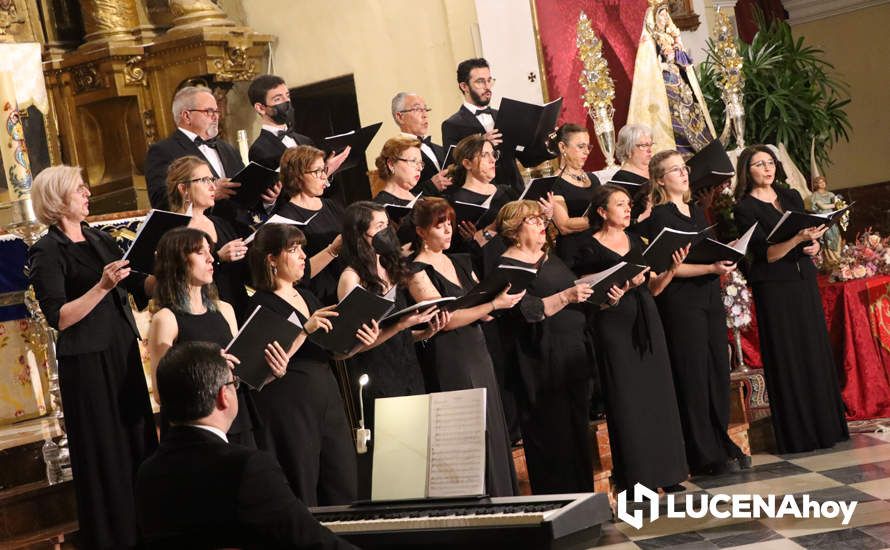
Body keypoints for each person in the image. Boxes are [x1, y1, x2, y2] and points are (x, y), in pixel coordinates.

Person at [29, 165, 158, 549]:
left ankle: (148, 531)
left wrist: (169, 266)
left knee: (138, 439)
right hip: (87, 363)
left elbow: (138, 282)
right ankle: (114, 537)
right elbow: (60, 317)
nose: (88, 193)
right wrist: (102, 286)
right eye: (79, 188)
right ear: (57, 200)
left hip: (121, 352)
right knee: (105, 449)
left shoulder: (99, 238)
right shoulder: (46, 250)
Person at [135, 341, 357, 549]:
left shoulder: (148, 473)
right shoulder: (246, 467)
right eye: (234, 383)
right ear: (224, 396)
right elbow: (311, 542)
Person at [246, 223, 378, 506]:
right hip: (289, 403)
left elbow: (332, 352)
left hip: (327, 394)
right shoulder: (260, 304)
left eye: (303, 249)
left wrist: (359, 343)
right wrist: (304, 330)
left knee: (342, 480)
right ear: (271, 259)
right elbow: (262, 367)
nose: (303, 256)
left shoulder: (306, 296)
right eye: (293, 250)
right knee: (303, 483)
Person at [732, 145, 849, 454]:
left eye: (770, 162)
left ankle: (828, 426)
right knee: (788, 355)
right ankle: (800, 434)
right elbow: (765, 255)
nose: (767, 168)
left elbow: (810, 238)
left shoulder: (792, 197)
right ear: (748, 171)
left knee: (814, 349)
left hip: (803, 282)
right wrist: (797, 239)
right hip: (775, 288)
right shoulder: (744, 208)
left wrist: (814, 245)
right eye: (759, 164)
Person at [573, 184, 689, 492]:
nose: (628, 209)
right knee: (628, 399)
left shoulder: (637, 239)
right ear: (602, 211)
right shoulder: (588, 247)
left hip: (646, 317)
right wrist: (623, 284)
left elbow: (653, 288)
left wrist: (672, 269)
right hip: (613, 325)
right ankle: (639, 479)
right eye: (620, 204)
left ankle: (669, 472)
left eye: (628, 205)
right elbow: (588, 294)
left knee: (658, 393)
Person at [407, 197, 523, 496]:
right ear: (421, 232)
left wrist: (496, 299)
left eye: (449, 224)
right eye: (439, 226)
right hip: (449, 355)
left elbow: (479, 303)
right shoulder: (416, 270)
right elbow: (444, 320)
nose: (448, 231)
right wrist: (492, 303)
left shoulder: (459, 260)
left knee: (490, 422)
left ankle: (503, 499)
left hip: (477, 348)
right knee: (466, 431)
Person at [646, 150, 749, 475]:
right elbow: (668, 268)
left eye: (683, 168)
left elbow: (708, 248)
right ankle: (702, 451)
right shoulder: (660, 216)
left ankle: (721, 439)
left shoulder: (693, 210)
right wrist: (710, 266)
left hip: (708, 296)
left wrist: (726, 256)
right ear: (660, 179)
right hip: (680, 302)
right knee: (693, 374)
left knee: (717, 369)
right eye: (674, 170)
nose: (683, 174)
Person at [338, 201, 450, 496]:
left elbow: (399, 333)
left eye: (387, 225)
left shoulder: (391, 267)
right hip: (377, 379)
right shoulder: (352, 277)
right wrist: (400, 327)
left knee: (419, 457)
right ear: (361, 234)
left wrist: (422, 331)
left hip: (408, 370)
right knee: (395, 466)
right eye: (379, 227)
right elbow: (352, 347)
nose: (387, 232)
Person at [146, 226, 286, 448]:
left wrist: (269, 371)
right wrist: (211, 367)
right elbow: (162, 393)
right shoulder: (167, 319)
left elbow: (240, 376)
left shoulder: (224, 309)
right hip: (198, 430)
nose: (212, 258)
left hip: (236, 419)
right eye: (201, 252)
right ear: (179, 261)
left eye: (210, 251)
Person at [495, 200, 601, 494]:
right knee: (551, 433)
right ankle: (560, 501)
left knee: (577, 429)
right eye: (533, 220)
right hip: (539, 360)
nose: (542, 224)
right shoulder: (506, 266)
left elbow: (571, 289)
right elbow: (526, 309)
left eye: (542, 219)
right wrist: (567, 296)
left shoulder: (549, 257)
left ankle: (585, 498)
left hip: (572, 353)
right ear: (514, 230)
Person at [144, 86, 271, 227]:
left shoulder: (227, 148)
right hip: (200, 234)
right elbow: (161, 202)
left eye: (216, 111)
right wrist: (209, 193)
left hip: (241, 230)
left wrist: (267, 199)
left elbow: (243, 191)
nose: (216, 116)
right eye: (209, 111)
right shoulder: (163, 151)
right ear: (187, 116)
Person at [441, 58, 552, 194]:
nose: (487, 87)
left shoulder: (502, 115)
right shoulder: (452, 125)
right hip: (483, 197)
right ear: (464, 86)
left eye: (489, 80)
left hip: (514, 192)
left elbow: (527, 159)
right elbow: (455, 169)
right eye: (480, 81)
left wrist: (548, 143)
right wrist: (482, 144)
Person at [166, 155, 251, 321]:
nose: (213, 186)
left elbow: (243, 271)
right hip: (202, 314)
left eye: (212, 179)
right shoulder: (174, 231)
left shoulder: (221, 223)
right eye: (205, 180)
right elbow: (176, 279)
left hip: (238, 306)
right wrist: (219, 258)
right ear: (183, 189)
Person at [627, 4, 715, 156]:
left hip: (677, 77)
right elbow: (650, 62)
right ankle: (679, 148)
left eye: (666, 14)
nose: (665, 17)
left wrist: (677, 42)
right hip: (664, 81)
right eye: (661, 14)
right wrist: (662, 65)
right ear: (654, 18)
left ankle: (694, 145)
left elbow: (680, 55)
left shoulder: (669, 35)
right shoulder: (652, 38)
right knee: (673, 113)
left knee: (688, 106)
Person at [275, 145, 345, 305]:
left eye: (324, 170)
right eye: (317, 172)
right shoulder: (286, 219)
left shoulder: (331, 206)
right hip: (319, 299)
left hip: (348, 286)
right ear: (297, 176)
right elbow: (296, 274)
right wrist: (332, 250)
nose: (324, 177)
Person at [247, 74, 350, 174]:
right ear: (260, 108)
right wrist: (326, 173)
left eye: (287, 96)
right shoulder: (259, 150)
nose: (287, 101)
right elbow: (280, 189)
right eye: (278, 99)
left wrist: (325, 172)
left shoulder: (305, 140)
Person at [545, 123, 600, 268]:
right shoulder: (554, 183)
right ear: (563, 147)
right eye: (581, 147)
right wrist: (600, 218)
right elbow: (564, 225)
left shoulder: (593, 178)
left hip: (598, 243)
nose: (587, 152)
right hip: (576, 252)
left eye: (588, 147)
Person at [391, 91, 451, 196]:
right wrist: (431, 186)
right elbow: (397, 195)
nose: (425, 115)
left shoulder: (440, 149)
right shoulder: (395, 153)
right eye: (417, 109)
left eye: (425, 109)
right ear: (400, 117)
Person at [610, 124, 655, 236]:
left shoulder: (655, 170)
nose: (649, 150)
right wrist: (644, 215)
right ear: (628, 149)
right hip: (640, 235)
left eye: (650, 144)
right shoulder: (621, 179)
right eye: (644, 146)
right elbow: (616, 221)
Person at [808, 175, 842, 263]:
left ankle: (838, 257)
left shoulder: (831, 194)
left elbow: (839, 203)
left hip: (832, 218)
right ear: (816, 184)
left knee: (836, 236)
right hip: (824, 219)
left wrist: (842, 206)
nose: (822, 184)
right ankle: (832, 260)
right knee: (828, 237)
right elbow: (822, 206)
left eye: (823, 181)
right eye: (819, 182)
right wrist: (836, 205)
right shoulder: (815, 195)